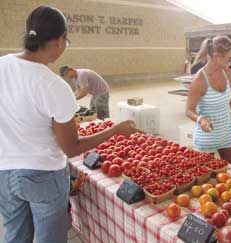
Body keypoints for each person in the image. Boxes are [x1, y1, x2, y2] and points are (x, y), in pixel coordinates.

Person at [0, 6, 138, 243]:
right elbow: (71, 148)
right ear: (59, 41)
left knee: (15, 235)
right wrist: (114, 130)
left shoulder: (2, 65)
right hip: (42, 174)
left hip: (4, 171)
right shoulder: (53, 86)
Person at [186, 36, 231, 165]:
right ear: (217, 56)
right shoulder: (200, 80)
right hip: (207, 136)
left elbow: (230, 99)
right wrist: (201, 119)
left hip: (228, 132)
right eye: (230, 58)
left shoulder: (227, 73)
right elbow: (189, 110)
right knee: (205, 178)